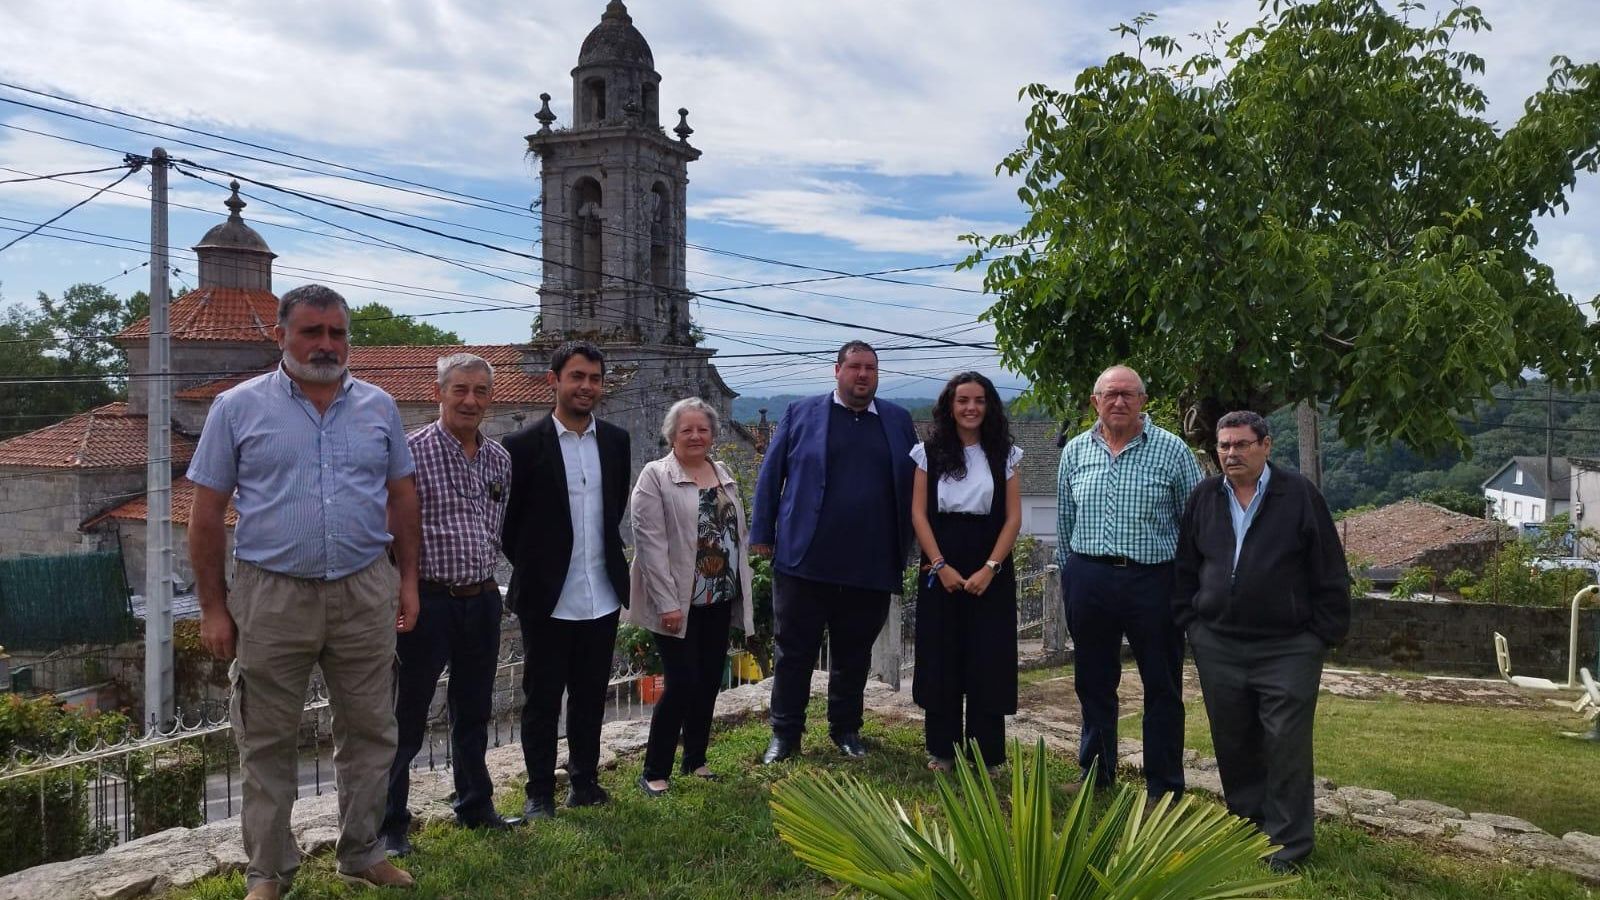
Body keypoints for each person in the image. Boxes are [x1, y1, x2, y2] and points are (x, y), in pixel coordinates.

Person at [187, 284, 419, 899]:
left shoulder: (380, 407)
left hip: (365, 587)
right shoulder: (236, 408)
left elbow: (401, 497)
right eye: (311, 331)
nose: (325, 344)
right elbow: (205, 513)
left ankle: (363, 851)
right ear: (281, 335)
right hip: (271, 594)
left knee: (371, 729)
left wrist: (408, 582)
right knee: (265, 738)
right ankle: (268, 872)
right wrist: (213, 608)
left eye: (336, 333)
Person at [1174, 410, 1350, 871]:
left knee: (1285, 744)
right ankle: (1248, 829)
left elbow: (1328, 568)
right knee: (1234, 742)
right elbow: (1186, 567)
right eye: (1224, 445)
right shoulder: (1205, 497)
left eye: (1242, 444)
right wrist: (1192, 623)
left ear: (1266, 446)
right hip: (1218, 644)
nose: (1231, 453)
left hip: (1288, 646)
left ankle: (1288, 846)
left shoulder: (1299, 495)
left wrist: (1320, 636)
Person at [750, 340, 918, 763]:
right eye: (855, 367)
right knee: (794, 652)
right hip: (804, 559)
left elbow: (918, 485)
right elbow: (772, 474)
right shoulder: (801, 413)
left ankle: (846, 730)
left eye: (871, 369)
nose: (863, 375)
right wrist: (761, 533)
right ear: (837, 370)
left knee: (854, 655)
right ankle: (785, 735)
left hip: (872, 562)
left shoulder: (898, 421)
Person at [381, 353, 515, 858]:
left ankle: (475, 805)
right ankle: (390, 823)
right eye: (460, 390)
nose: (470, 400)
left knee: (474, 710)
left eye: (481, 391)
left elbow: (494, 525)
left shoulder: (500, 459)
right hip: (426, 601)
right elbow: (386, 529)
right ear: (439, 393)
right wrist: (403, 589)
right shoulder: (410, 453)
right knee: (406, 714)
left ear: (490, 398)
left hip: (481, 599)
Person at [1057, 365, 1201, 800]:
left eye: (1128, 394)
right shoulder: (1075, 451)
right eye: (1110, 394)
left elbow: (1193, 524)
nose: (1118, 402)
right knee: (1093, 682)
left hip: (1153, 580)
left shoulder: (1172, 451)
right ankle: (1097, 777)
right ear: (1095, 402)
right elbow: (1066, 522)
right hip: (1090, 577)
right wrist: (1073, 577)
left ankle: (1164, 786)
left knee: (1161, 684)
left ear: (1143, 401)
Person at [501, 341, 631, 819]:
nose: (587, 387)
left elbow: (613, 509)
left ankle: (585, 782)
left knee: (592, 695)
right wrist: (540, 565)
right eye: (577, 377)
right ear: (554, 381)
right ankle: (539, 793)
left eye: (595, 379)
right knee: (541, 698)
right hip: (547, 596)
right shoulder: (521, 446)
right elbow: (508, 527)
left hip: (602, 591)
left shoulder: (616, 441)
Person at [625, 397, 756, 795]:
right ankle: (653, 770)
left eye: (702, 429)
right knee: (681, 683)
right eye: (687, 430)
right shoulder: (656, 476)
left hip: (718, 597)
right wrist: (666, 603)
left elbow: (737, 536)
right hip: (676, 603)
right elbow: (649, 544)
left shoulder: (723, 473)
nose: (696, 436)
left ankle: (695, 759)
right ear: (672, 435)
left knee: (707, 681)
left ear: (713, 434)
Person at [910, 372, 1023, 772]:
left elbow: (1012, 519)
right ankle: (942, 749)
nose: (971, 407)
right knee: (942, 654)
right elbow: (918, 515)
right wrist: (939, 565)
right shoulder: (928, 452)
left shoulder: (1005, 454)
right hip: (941, 561)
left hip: (990, 563)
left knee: (987, 657)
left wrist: (991, 568)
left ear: (989, 405)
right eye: (963, 400)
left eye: (979, 400)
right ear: (950, 406)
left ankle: (988, 754)